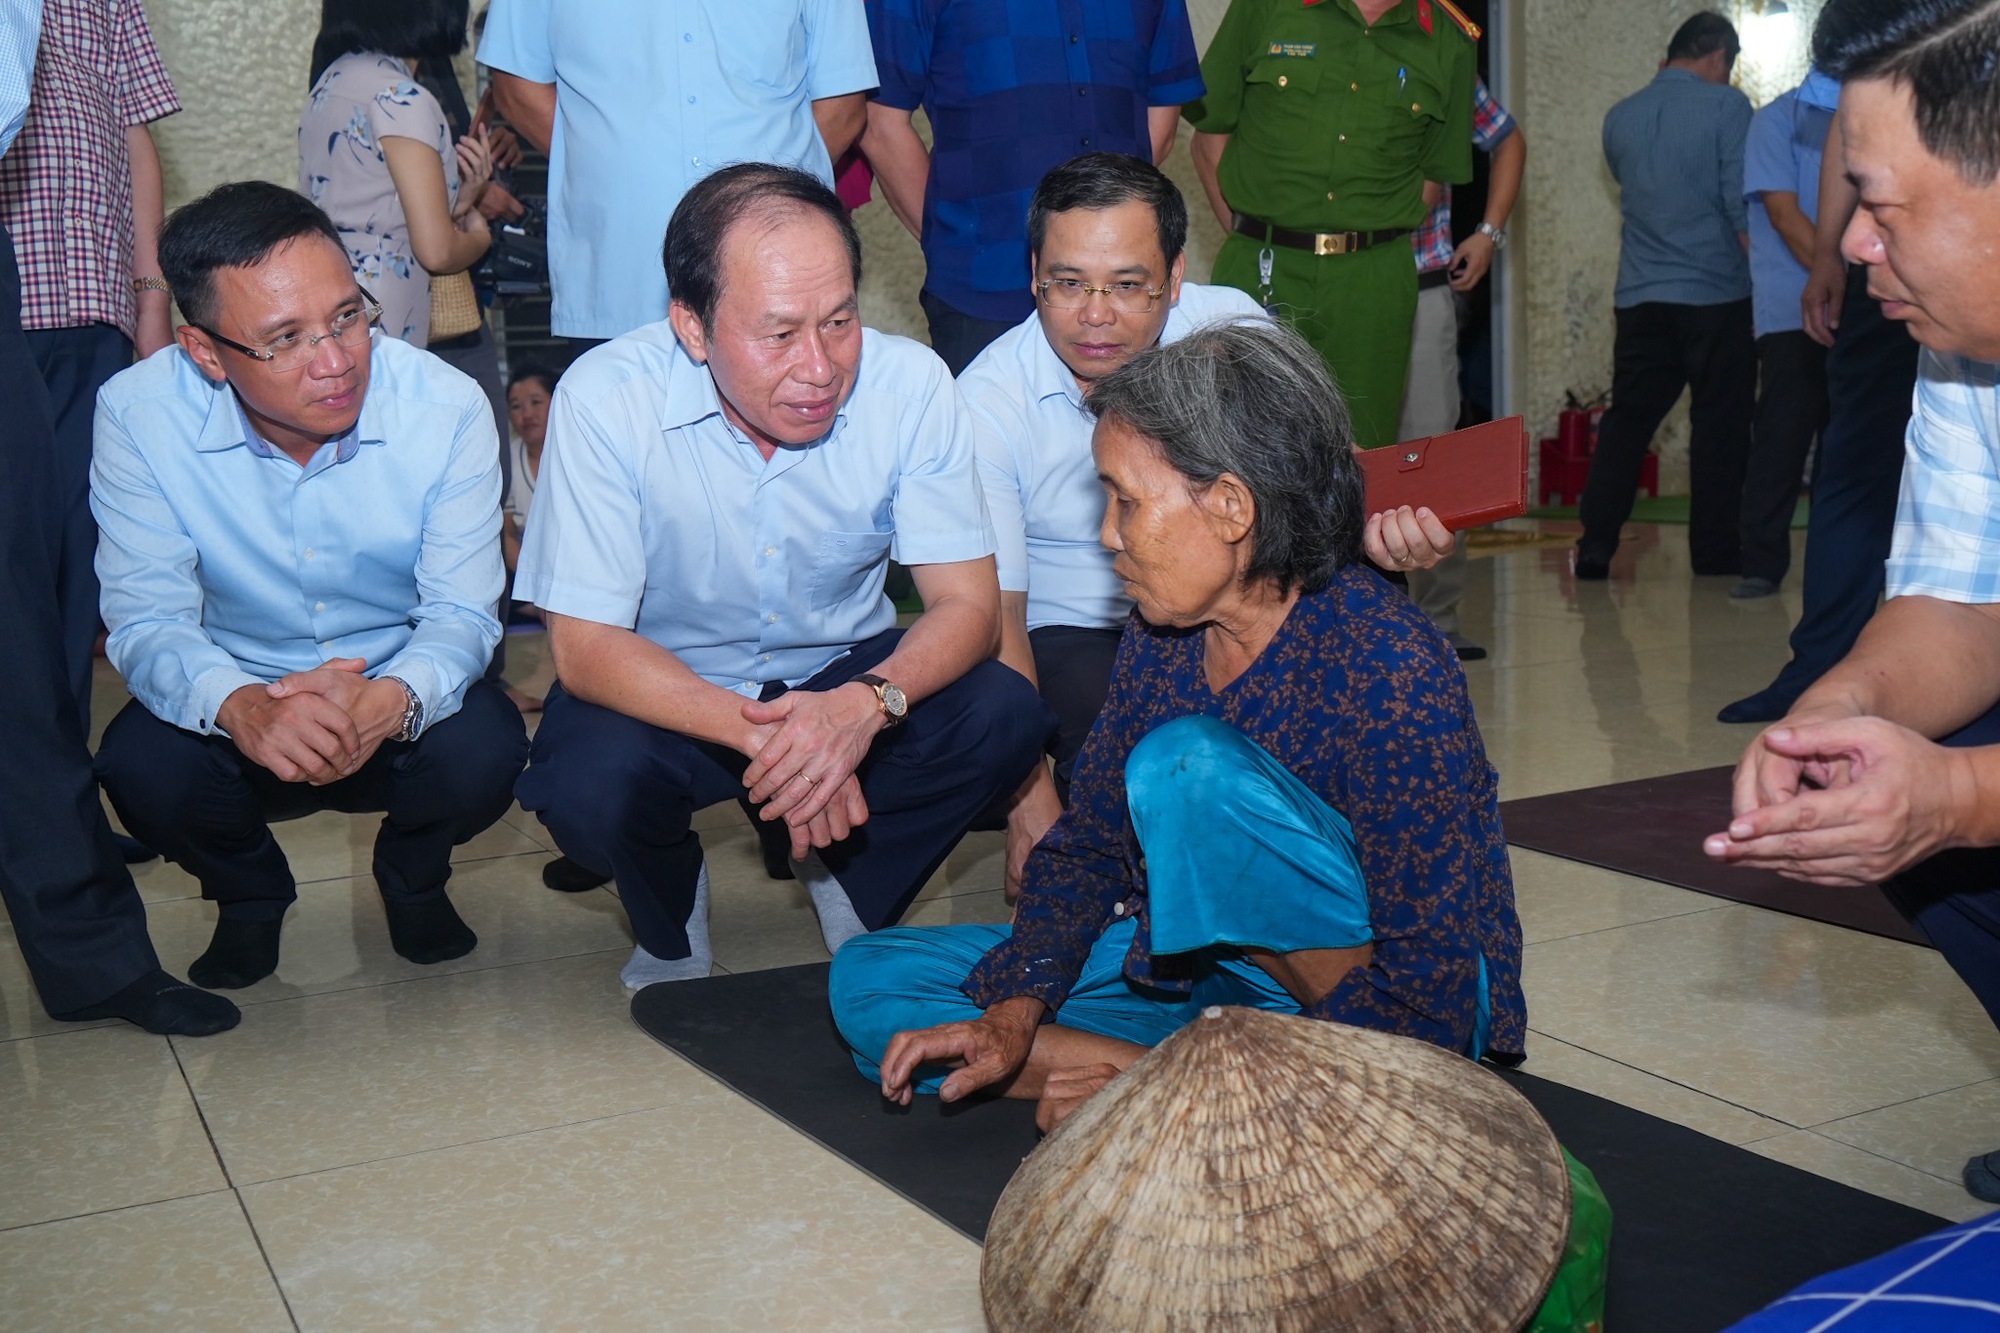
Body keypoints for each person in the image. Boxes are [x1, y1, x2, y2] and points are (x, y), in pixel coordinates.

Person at [833, 320, 1527, 1131]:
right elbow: (1092, 842)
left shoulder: (1389, 665)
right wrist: (1015, 1011)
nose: (1105, 534)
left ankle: (1220, 1089)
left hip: (1387, 1009)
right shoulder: (1164, 634)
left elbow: (1432, 975)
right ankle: (1191, 1079)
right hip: (1200, 969)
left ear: (1232, 506)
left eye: (1126, 501)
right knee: (871, 984)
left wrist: (1406, 1053)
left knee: (1185, 766)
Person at [512, 163, 1051, 989]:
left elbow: (968, 607)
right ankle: (667, 905)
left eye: (839, 320)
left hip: (841, 675)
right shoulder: (604, 400)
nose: (820, 366)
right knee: (587, 779)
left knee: (1004, 710)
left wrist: (859, 709)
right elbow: (584, 647)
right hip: (673, 691)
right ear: (692, 328)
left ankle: (846, 874)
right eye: (778, 333)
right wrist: (785, 740)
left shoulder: (911, 387)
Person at [964, 150, 1455, 897]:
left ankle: (1355, 878)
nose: (1097, 314)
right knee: (1136, 753)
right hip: (1082, 625)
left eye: (1130, 286)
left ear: (1176, 275)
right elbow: (998, 613)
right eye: (1068, 284)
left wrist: (1393, 532)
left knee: (1368, 626)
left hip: (1234, 590)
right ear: (1033, 273)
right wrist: (1028, 797)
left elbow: (1330, 474)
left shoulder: (1228, 323)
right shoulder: (986, 404)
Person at [1704, 0, 2000, 1205]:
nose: (1853, 246)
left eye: (1876, 206)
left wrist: (1961, 797)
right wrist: (1831, 715)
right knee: (1902, 768)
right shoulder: (1964, 346)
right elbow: (1960, 603)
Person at [89, 182, 530, 991]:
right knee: (139, 763)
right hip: (241, 705)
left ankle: (413, 874)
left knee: (488, 744)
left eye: (347, 316)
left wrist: (391, 698)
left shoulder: (446, 405)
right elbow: (146, 619)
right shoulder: (136, 415)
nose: (335, 361)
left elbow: (464, 614)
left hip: (394, 699)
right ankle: (249, 893)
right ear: (206, 353)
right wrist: (245, 705)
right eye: (284, 339)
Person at [0, 1, 238, 1038]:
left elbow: (127, 131)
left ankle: (85, 939)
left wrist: (150, 295)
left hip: (71, 307)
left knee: (38, 619)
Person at [0, 0, 180, 864]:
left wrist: (151, 300)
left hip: (91, 308)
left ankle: (62, 817)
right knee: (14, 573)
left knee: (78, 567)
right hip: (10, 302)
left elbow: (136, 136)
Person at [477, 0, 878, 347]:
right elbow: (516, 87)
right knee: (624, 434)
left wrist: (768, 204)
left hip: (781, 279)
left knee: (789, 431)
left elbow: (842, 104)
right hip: (621, 272)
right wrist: (606, 161)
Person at [1715, 73, 1922, 723]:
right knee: (1850, 465)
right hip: (1884, 279)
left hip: (1968, 252)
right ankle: (1820, 670)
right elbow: (1844, 126)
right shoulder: (1860, 34)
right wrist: (1831, 257)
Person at [1184, 0, 1478, 453]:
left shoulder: (1450, 40)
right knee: (1238, 451)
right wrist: (1254, 232)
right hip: (1258, 266)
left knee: (1361, 458)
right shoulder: (1266, 9)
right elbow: (1209, 138)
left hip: (1372, 284)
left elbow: (1430, 178)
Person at [859, 0, 1204, 373]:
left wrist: (1110, 235)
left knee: (1126, 430)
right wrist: (954, 236)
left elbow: (1162, 114)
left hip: (1125, 295)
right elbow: (881, 124)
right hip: (983, 289)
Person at [1573, 13, 1754, 581]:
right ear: (1720, 58)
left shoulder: (1619, 118)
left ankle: (1597, 547)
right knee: (1719, 427)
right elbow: (1737, 206)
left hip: (1641, 299)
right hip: (1715, 294)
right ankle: (1715, 554)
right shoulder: (1728, 108)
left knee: (1627, 424)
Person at [1398, 74, 1526, 659]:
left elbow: (1505, 137)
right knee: (1323, 454)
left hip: (1421, 283)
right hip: (1325, 284)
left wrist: (1489, 232)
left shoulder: (1438, 53)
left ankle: (1438, 619)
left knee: (1432, 457)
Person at [301, 0, 494, 348]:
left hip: (329, 291)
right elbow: (436, 251)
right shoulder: (401, 97)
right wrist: (481, 237)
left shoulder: (332, 80)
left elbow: (372, 203)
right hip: (383, 305)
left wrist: (460, 199)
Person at [1728, 73, 1836, 602]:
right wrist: (1834, 278)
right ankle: (1763, 562)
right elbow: (1784, 215)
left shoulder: (1864, 113)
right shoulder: (1775, 119)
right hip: (1792, 310)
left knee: (1851, 443)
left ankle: (1845, 558)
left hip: (1858, 309)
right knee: (1782, 438)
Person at [498, 363, 553, 714]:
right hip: (528, 577)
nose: (526, 413)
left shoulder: (575, 452)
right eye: (516, 406)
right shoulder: (509, 462)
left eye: (535, 402)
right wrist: (536, 589)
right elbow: (506, 535)